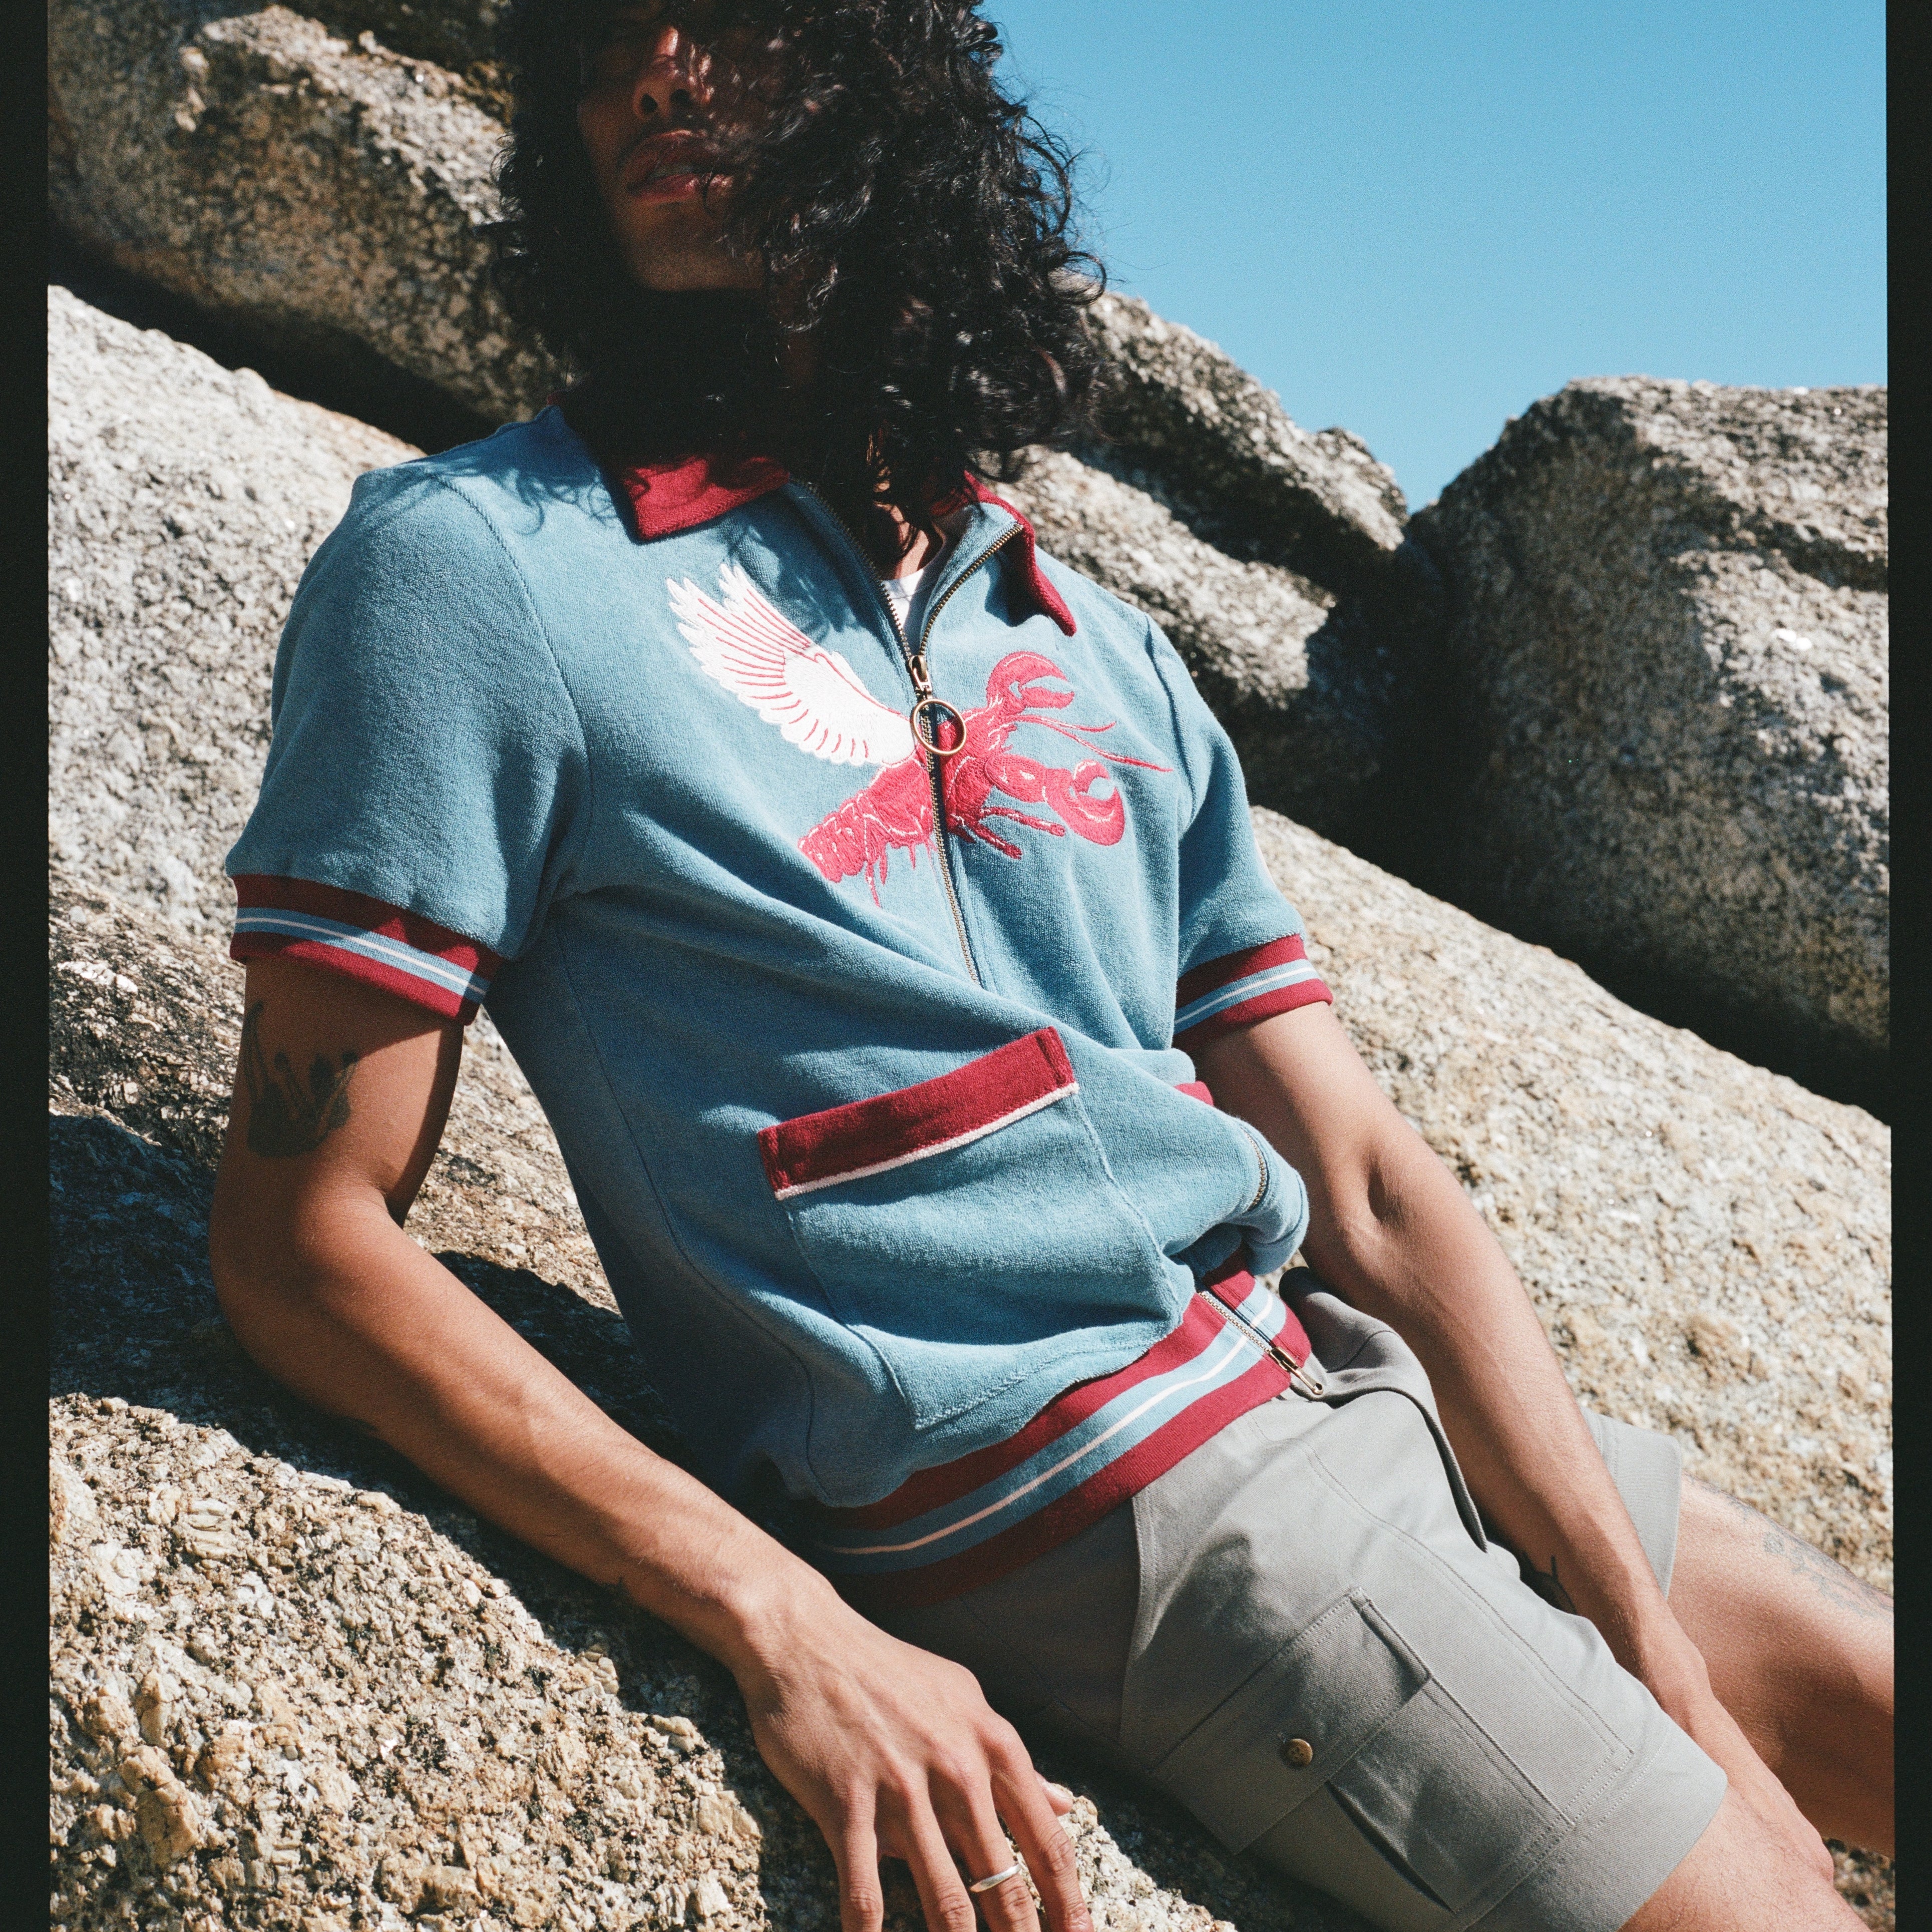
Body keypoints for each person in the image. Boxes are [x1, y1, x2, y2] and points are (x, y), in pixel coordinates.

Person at [206, 5, 1892, 1928]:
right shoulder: (481, 567)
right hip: (1119, 1494)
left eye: (734, 17)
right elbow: (300, 1241)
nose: (657, 69)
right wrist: (781, 1613)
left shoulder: (1089, 641)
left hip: (1336, 1378)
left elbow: (1358, 1179)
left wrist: (1632, 1625)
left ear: (888, 86)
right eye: (600, 37)